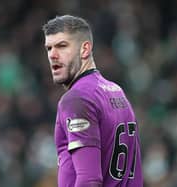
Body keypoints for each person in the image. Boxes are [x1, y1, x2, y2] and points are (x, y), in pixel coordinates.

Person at [42, 15, 143, 187]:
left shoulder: (77, 99)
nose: (53, 55)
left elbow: (89, 180)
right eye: (49, 48)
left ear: (85, 49)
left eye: (62, 46)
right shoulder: (117, 92)